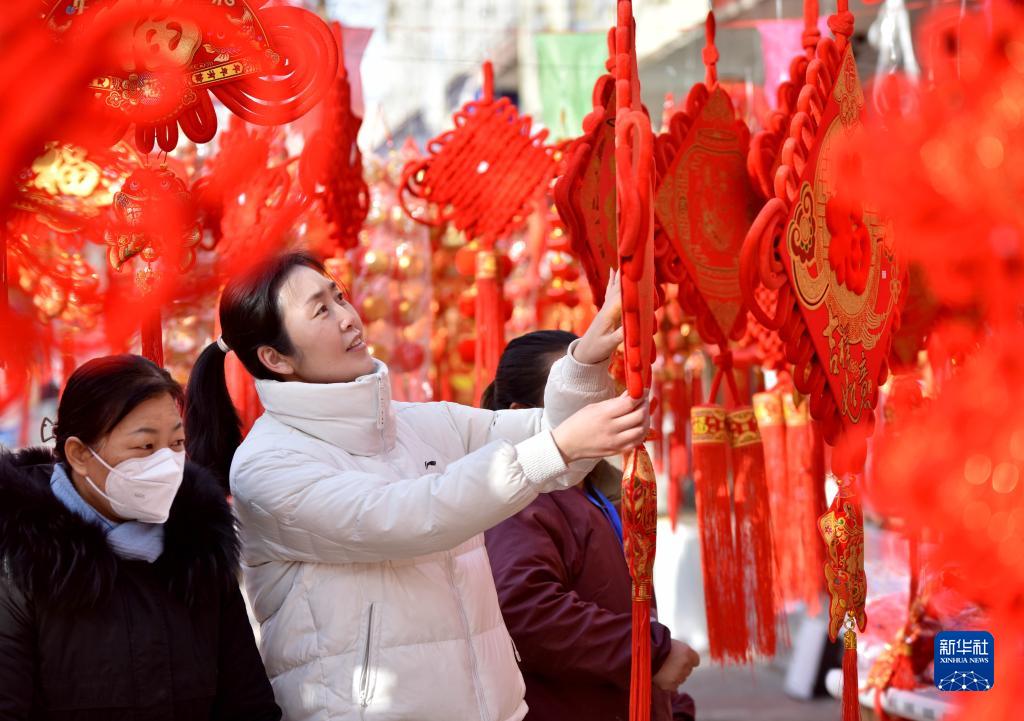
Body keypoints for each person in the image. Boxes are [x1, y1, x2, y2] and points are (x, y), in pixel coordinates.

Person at [184, 253, 649, 721]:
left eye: (339, 296)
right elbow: (410, 517)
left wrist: (587, 359)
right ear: (274, 358)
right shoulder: (268, 466)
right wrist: (559, 447)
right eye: (321, 310)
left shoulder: (422, 423)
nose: (348, 318)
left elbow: (551, 439)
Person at [0, 354, 280, 721]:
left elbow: (247, 703)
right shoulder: (19, 563)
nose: (166, 464)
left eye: (177, 444)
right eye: (145, 447)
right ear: (80, 454)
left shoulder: (200, 550)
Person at [483, 330, 700, 721]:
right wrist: (652, 653)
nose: (602, 407)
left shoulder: (596, 493)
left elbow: (628, 608)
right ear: (520, 415)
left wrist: (672, 707)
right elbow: (525, 610)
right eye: (575, 399)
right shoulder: (521, 501)